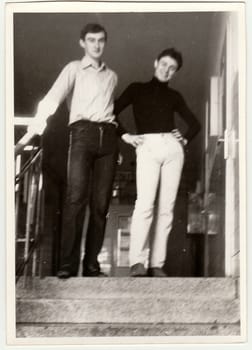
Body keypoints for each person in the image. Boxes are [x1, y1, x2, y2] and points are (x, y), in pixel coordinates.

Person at [28, 23, 119, 278]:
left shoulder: (112, 76)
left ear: (105, 43)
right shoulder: (74, 69)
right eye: (91, 40)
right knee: (75, 199)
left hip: (108, 139)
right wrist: (38, 122)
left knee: (100, 206)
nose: (96, 45)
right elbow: (54, 96)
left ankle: (91, 265)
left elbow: (110, 112)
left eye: (101, 40)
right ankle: (68, 264)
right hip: (81, 134)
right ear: (83, 43)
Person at [114, 48, 201, 277]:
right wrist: (125, 135)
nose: (167, 70)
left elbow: (195, 124)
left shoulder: (175, 96)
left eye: (172, 68)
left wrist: (184, 138)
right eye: (164, 64)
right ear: (156, 63)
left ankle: (156, 264)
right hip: (147, 147)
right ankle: (137, 262)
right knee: (144, 203)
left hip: (172, 149)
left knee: (167, 208)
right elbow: (111, 111)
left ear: (175, 73)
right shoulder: (136, 89)